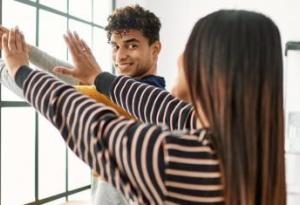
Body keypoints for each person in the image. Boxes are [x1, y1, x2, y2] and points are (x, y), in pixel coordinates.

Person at [2, 9, 286, 205]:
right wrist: (99, 78)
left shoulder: (174, 158)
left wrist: (17, 70)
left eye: (190, 48)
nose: (180, 59)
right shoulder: (247, 151)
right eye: (115, 46)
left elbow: (92, 124)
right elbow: (163, 106)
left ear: (212, 69)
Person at [0, 5, 166, 205]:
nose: (120, 56)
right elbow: (76, 80)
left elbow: (52, 94)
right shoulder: (146, 96)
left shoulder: (143, 102)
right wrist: (27, 50)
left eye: (132, 45)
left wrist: (12, 66)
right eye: (115, 46)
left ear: (155, 49)